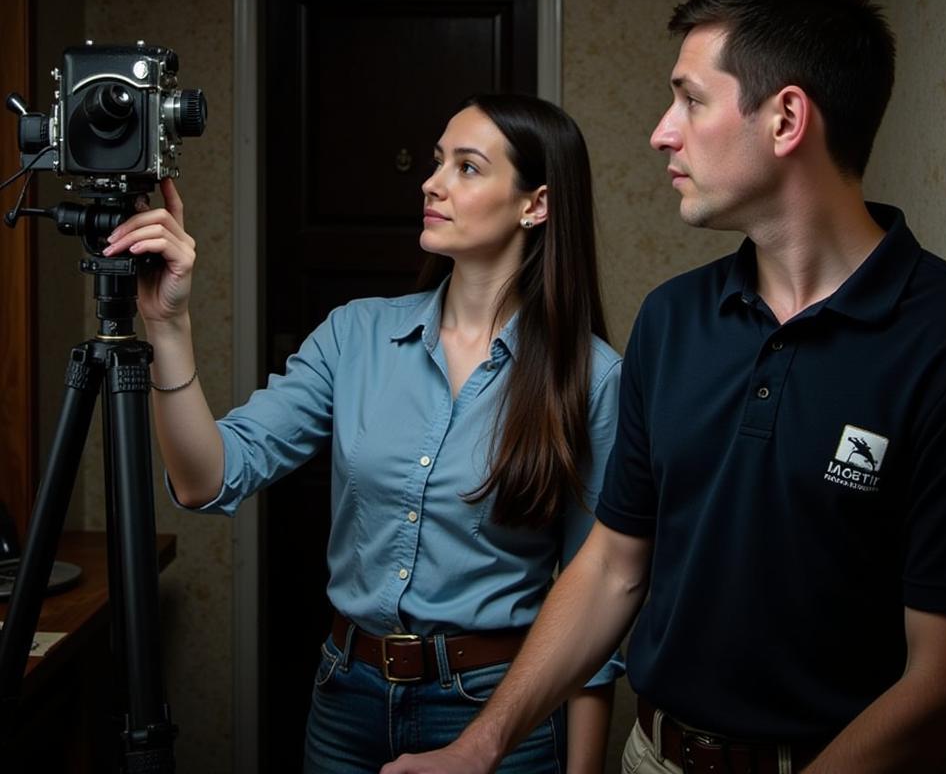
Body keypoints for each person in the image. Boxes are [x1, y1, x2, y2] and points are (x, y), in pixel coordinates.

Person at [380, 0, 946, 774]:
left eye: (690, 100)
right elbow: (615, 564)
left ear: (787, 117)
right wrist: (480, 745)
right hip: (654, 755)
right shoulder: (673, 319)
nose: (661, 132)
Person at [103, 94, 624, 773]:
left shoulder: (592, 377)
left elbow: (596, 607)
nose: (431, 182)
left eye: (467, 167)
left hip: (497, 711)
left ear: (536, 204)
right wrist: (167, 326)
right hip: (345, 698)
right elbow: (208, 479)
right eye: (438, 161)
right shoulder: (356, 335)